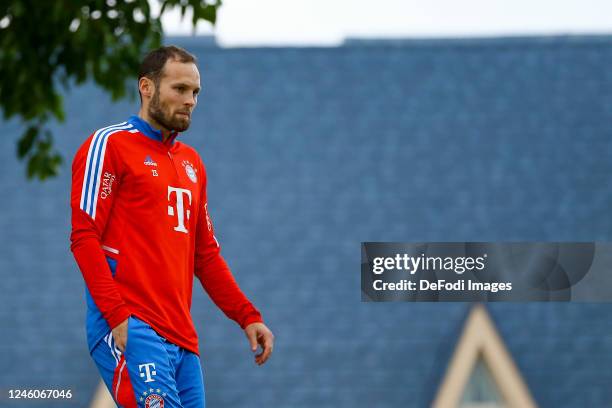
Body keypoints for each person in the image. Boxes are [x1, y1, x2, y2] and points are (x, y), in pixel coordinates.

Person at [70, 45, 274, 408]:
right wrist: (118, 317)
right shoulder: (109, 145)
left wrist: (247, 316)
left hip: (183, 340)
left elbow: (206, 256)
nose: (190, 100)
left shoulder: (192, 163)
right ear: (146, 87)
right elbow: (84, 237)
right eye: (179, 89)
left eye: (195, 92)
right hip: (131, 324)